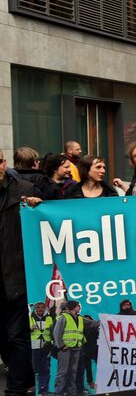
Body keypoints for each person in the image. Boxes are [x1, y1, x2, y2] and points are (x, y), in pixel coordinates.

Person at [1, 149, 40, 396]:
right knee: (6, 338)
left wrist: (38, 208)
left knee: (17, 337)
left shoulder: (25, 190)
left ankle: (15, 390)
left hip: (17, 277)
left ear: (3, 162)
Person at [53, 300, 84, 396]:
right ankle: (59, 392)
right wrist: (62, 345)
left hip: (76, 348)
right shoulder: (63, 317)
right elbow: (56, 332)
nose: (79, 308)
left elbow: (93, 324)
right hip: (65, 349)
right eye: (78, 306)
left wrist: (104, 320)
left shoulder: (80, 318)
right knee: (63, 372)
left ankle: (72, 392)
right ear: (73, 307)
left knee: (73, 372)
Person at [30, 302, 53, 394]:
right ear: (35, 308)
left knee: (45, 369)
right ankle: (32, 388)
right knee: (33, 369)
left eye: (42, 307)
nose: (40, 309)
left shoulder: (49, 318)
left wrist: (51, 345)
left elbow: (52, 332)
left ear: (45, 309)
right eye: (38, 307)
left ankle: (43, 391)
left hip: (45, 347)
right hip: (33, 347)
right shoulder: (30, 318)